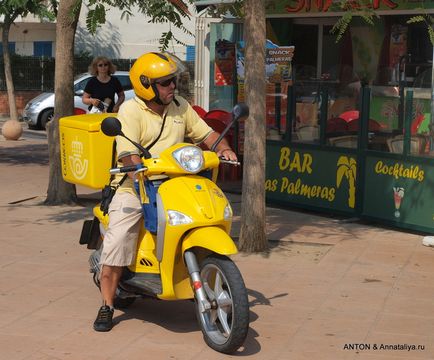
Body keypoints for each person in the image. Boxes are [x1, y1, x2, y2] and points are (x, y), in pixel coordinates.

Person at [93, 52, 237, 332]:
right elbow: (127, 153)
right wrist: (136, 169)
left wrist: (223, 149)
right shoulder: (130, 111)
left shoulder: (181, 107)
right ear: (147, 85)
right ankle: (107, 305)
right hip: (134, 187)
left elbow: (206, 135)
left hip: (175, 182)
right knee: (119, 239)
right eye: (167, 82)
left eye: (175, 81)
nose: (174, 86)